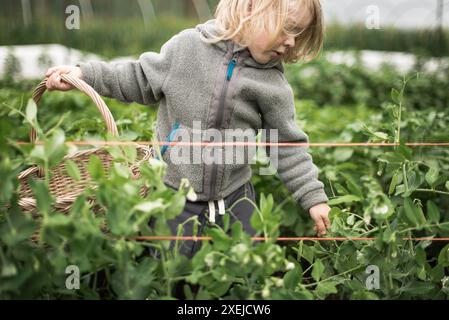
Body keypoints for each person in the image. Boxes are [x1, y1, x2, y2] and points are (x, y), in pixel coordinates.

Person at [45, 0, 331, 258]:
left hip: (236, 198)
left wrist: (313, 197)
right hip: (173, 194)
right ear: (250, 8)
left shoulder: (272, 85)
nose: (292, 41)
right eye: (288, 28)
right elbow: (136, 77)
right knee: (170, 270)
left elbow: (286, 146)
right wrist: (84, 74)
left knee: (243, 271)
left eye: (299, 33)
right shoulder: (187, 48)